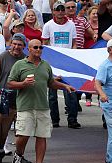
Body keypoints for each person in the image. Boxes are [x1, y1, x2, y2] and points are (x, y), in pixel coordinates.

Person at [8, 39, 75, 163]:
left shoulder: (46, 65)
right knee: (23, 135)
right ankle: (19, 153)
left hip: (43, 107)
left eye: (41, 47)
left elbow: (51, 82)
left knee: (42, 135)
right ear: (29, 49)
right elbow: (10, 83)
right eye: (35, 47)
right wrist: (23, 83)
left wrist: (64, 86)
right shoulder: (19, 65)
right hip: (25, 106)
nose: (39, 50)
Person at [0, 33, 31, 163]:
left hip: (22, 100)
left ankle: (19, 156)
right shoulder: (2, 57)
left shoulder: (27, 59)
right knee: (2, 131)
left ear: (24, 46)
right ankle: (0, 150)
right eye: (14, 43)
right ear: (10, 44)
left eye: (20, 44)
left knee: (22, 131)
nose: (16, 47)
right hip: (4, 100)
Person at [42, 1, 81, 129]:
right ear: (53, 11)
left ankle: (72, 119)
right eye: (57, 10)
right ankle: (54, 120)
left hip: (68, 62)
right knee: (52, 93)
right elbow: (45, 44)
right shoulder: (48, 25)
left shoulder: (71, 25)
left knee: (70, 92)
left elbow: (74, 42)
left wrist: (73, 54)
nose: (60, 12)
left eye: (62, 9)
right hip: (53, 63)